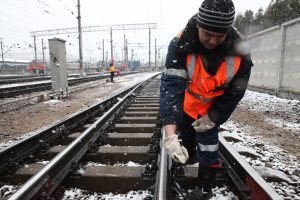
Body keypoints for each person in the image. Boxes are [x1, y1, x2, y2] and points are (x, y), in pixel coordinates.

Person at [160, 0, 253, 199]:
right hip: (188, 105)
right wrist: (169, 133)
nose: (212, 41)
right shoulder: (180, 43)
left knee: (209, 147)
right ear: (198, 26)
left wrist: (213, 117)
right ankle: (188, 155)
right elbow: (171, 88)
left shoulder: (241, 51)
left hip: (213, 109)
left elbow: (235, 92)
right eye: (207, 34)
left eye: (219, 36)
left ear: (228, 31)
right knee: (187, 139)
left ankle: (205, 188)